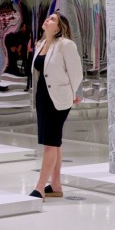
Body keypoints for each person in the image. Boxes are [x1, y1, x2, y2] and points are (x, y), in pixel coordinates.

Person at [29, 12, 83, 199]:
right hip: (42, 97)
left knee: (50, 143)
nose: (47, 19)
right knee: (54, 142)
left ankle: (40, 187)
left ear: (59, 27)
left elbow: (76, 73)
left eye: (53, 19)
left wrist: (72, 94)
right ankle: (56, 185)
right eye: (48, 18)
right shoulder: (41, 44)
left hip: (58, 99)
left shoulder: (66, 45)